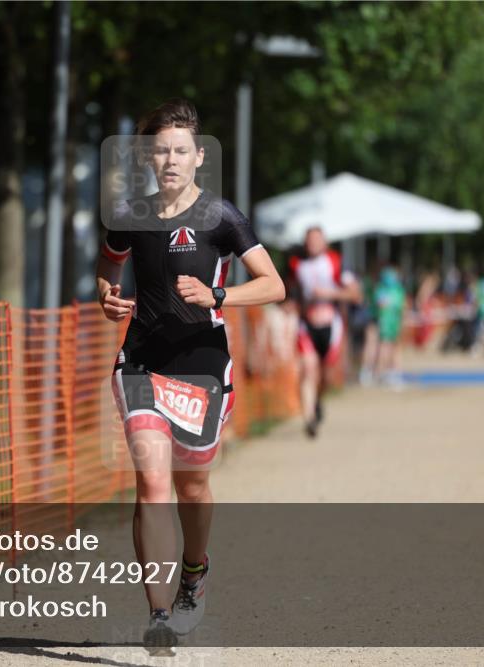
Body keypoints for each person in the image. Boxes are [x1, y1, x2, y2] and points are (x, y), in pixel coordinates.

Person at [95, 99, 284, 654]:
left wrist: (218, 295)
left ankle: (195, 570)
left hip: (203, 368)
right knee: (152, 482)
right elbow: (109, 267)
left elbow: (273, 284)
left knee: (190, 484)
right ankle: (158, 615)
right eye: (160, 151)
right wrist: (107, 295)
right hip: (141, 363)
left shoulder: (222, 218)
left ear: (198, 156)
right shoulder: (129, 212)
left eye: (180, 150)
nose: (170, 160)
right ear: (146, 158)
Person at [289, 227, 361, 438]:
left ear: (325, 242)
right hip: (307, 325)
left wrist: (329, 293)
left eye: (317, 240)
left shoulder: (337, 262)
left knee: (326, 376)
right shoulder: (296, 264)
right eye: (309, 240)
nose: (313, 244)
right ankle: (309, 418)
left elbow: (355, 294)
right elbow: (290, 291)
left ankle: (318, 400)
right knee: (309, 369)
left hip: (332, 325)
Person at [374, 265, 406, 385]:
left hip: (391, 322)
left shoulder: (389, 290)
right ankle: (384, 372)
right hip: (388, 323)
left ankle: (392, 372)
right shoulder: (392, 290)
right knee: (387, 347)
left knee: (391, 347)